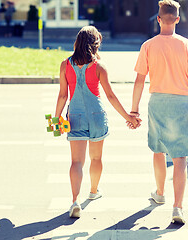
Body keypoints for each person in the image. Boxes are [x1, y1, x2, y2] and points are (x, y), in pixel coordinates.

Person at [128, 0, 188, 224]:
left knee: (159, 150)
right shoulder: (187, 45)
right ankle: (177, 207)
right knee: (181, 157)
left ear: (158, 19)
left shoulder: (148, 46)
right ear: (178, 20)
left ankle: (160, 193)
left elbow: (139, 80)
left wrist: (134, 110)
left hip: (157, 103)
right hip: (182, 103)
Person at [54, 26, 141, 218]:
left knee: (76, 161)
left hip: (74, 116)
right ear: (95, 45)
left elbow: (62, 96)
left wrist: (56, 118)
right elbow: (110, 96)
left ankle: (75, 201)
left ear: (77, 42)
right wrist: (129, 117)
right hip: (97, 116)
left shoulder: (65, 65)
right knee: (96, 158)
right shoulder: (99, 67)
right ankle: (93, 191)